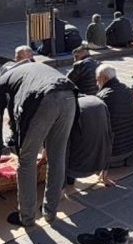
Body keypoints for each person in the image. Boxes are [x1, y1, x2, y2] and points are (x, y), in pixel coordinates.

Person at [0, 62, 78, 227]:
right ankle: (50, 212)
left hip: (44, 99)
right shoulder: (30, 69)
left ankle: (26, 217)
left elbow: (10, 115)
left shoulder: (4, 79)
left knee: (26, 161)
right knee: (57, 156)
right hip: (70, 94)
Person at [96, 64, 133, 169]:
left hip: (112, 153)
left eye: (97, 80)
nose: (96, 83)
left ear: (104, 78)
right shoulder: (128, 90)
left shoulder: (102, 97)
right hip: (131, 149)